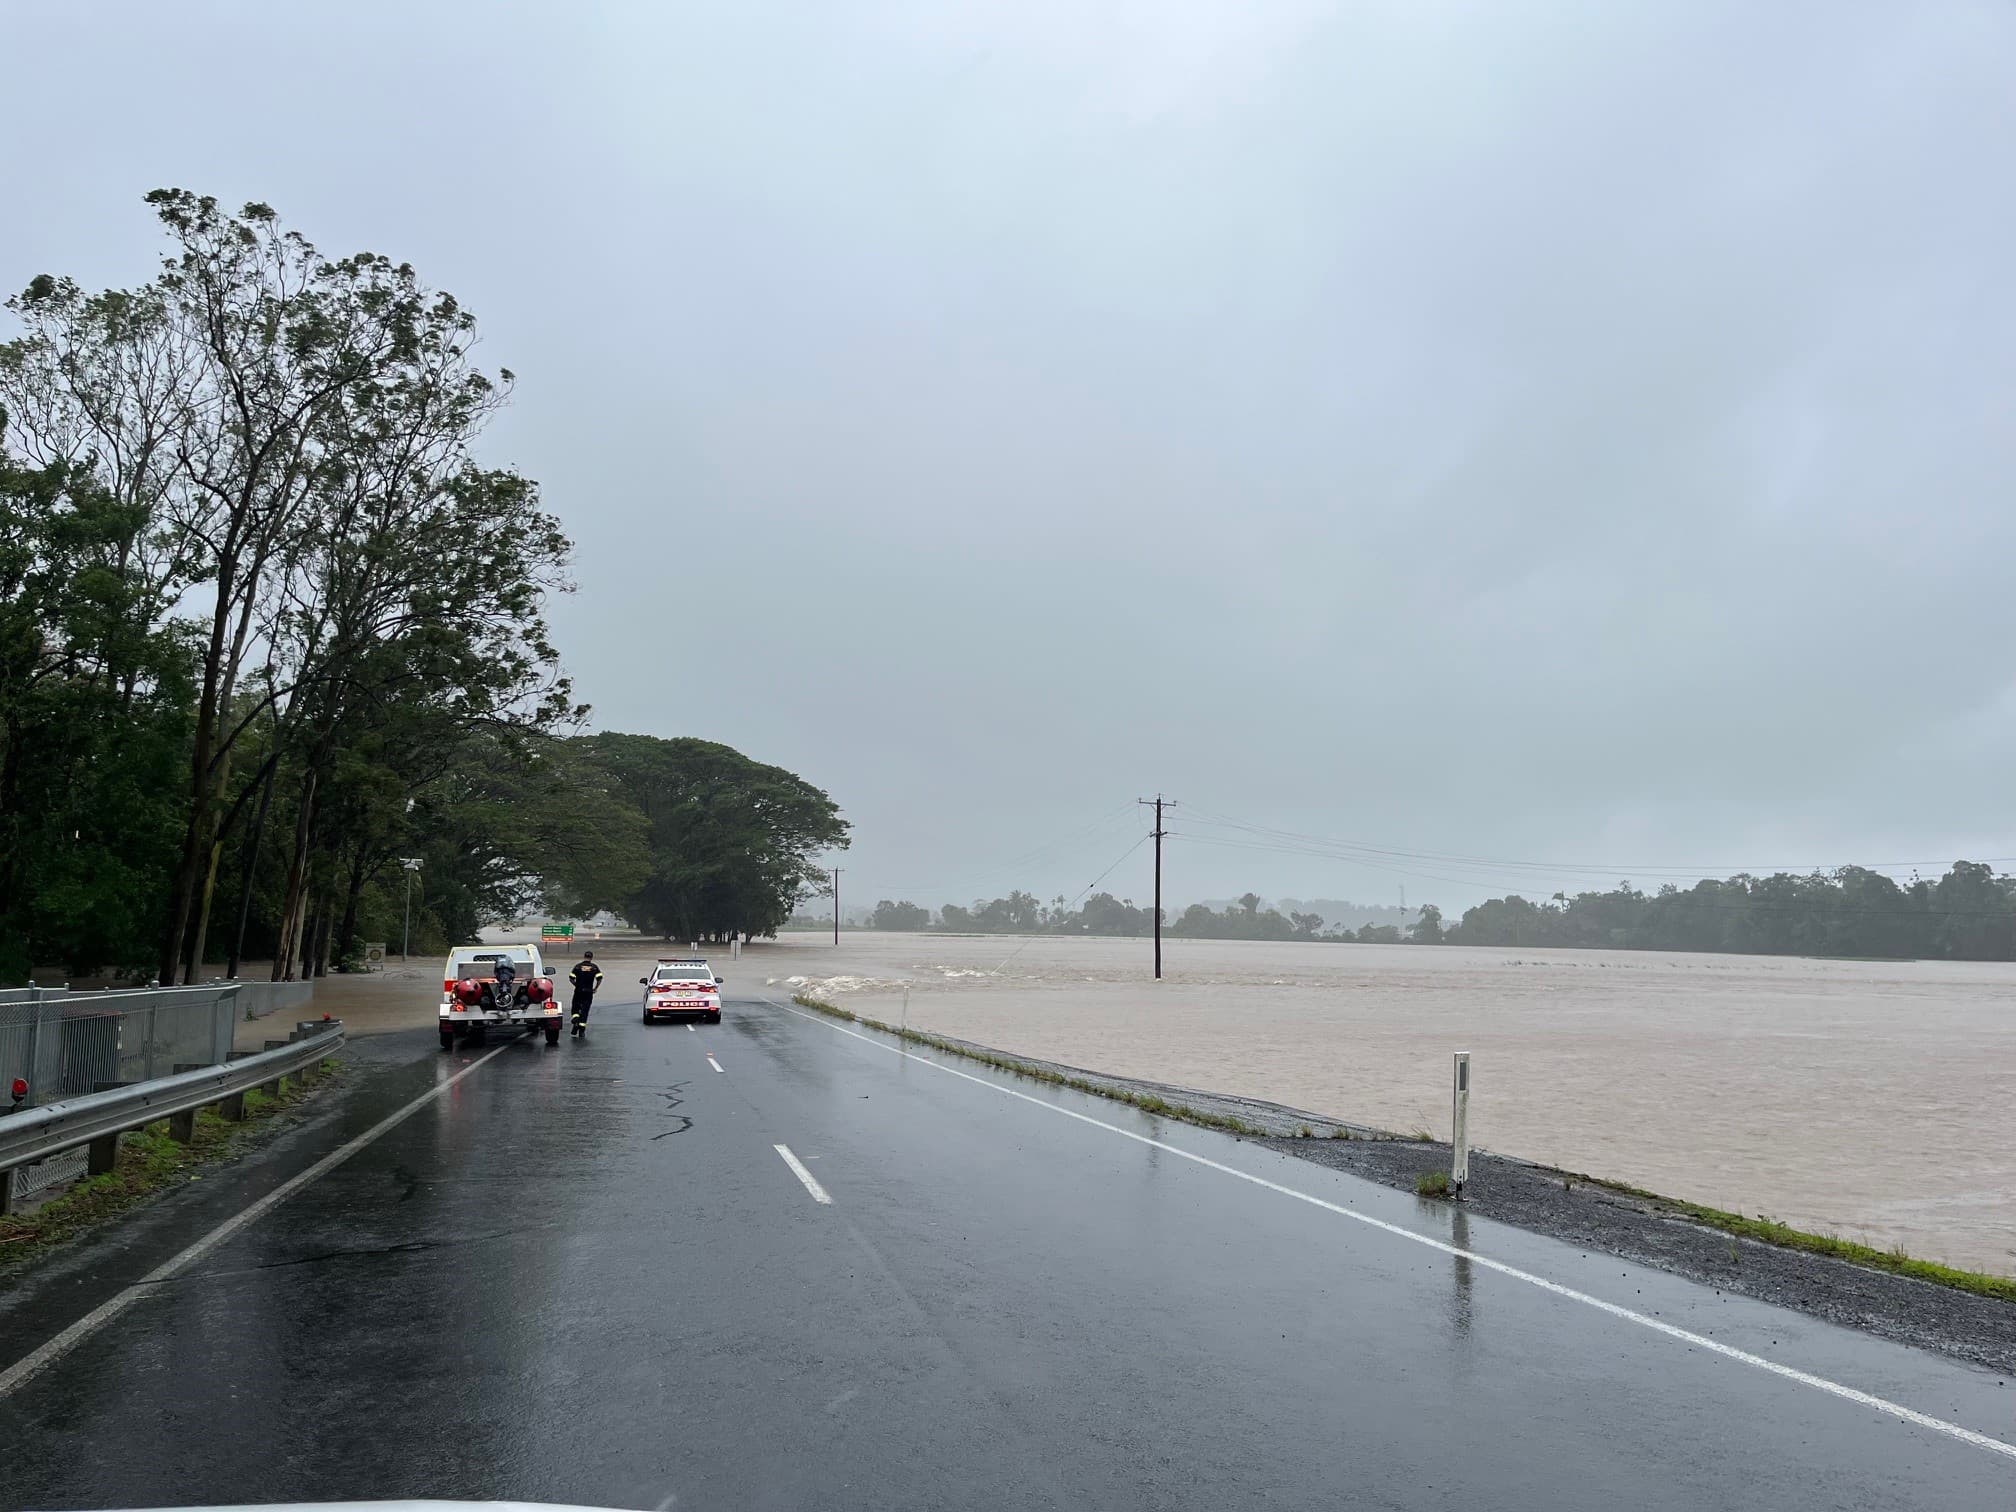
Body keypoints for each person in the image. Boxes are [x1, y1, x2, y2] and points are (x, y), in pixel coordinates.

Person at [567, 950, 603, 1038]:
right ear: (591, 958)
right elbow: (599, 979)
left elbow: (571, 978)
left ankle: (576, 1020)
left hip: (578, 991)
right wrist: (595, 988)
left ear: (584, 956)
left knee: (575, 1007)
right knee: (585, 1010)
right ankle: (581, 1031)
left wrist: (576, 985)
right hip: (588, 992)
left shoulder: (577, 966)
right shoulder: (594, 967)